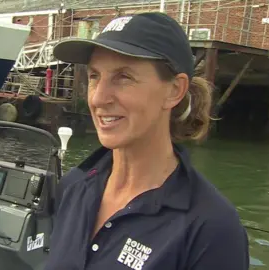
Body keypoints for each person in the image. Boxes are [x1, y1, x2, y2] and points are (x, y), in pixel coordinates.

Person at [45, 12, 249, 270]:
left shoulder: (211, 228)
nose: (98, 99)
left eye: (123, 77)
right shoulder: (73, 187)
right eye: (95, 76)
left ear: (174, 90)